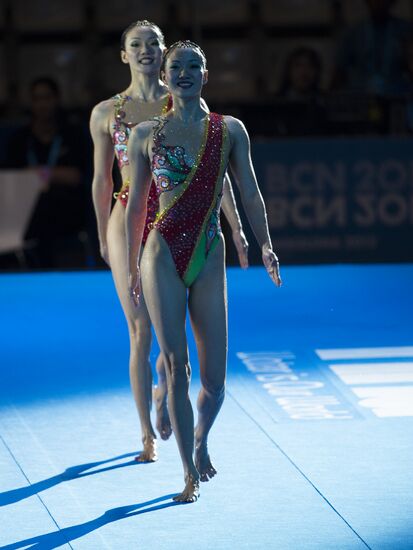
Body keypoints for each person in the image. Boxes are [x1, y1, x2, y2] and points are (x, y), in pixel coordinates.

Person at [126, 41, 281, 502]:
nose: (186, 73)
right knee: (178, 366)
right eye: (177, 67)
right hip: (160, 253)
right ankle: (189, 474)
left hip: (209, 254)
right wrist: (134, 263)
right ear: (167, 77)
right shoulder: (145, 134)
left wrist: (266, 242)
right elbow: (137, 207)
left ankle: (201, 438)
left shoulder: (230, 131)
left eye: (195, 66)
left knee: (215, 383)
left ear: (206, 76)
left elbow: (249, 192)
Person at [90, 22, 248, 463]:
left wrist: (235, 227)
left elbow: (216, 178)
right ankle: (145, 433)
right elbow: (103, 180)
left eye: (152, 43)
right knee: (140, 329)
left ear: (164, 52)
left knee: (170, 338)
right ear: (124, 55)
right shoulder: (106, 112)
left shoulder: (184, 97)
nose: (145, 50)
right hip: (129, 216)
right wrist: (105, 233)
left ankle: (166, 386)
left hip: (180, 220)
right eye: (135, 45)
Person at [5, 77, 88, 268]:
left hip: (66, 210)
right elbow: (11, 180)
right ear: (31, 103)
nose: (42, 104)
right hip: (26, 211)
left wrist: (37, 173)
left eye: (47, 98)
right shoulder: (19, 139)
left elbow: (76, 176)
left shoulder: (72, 135)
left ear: (57, 99)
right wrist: (51, 174)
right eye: (37, 99)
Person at [333, 0, 412, 95]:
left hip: (396, 96)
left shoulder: (404, 30)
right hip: (361, 97)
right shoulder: (354, 33)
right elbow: (340, 70)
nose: (378, 3)